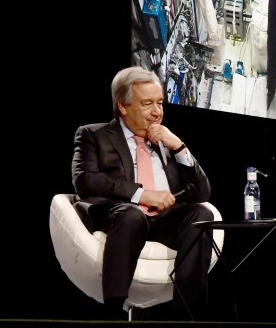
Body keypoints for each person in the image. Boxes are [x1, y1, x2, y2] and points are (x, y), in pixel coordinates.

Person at [71, 66, 214, 320]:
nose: (157, 112)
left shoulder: (165, 140)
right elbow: (85, 180)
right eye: (147, 104)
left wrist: (179, 147)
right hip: (119, 215)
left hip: (163, 219)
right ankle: (113, 312)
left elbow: (202, 192)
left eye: (160, 103)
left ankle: (188, 315)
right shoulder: (93, 134)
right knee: (131, 216)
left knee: (200, 215)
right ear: (123, 106)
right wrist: (141, 195)